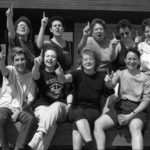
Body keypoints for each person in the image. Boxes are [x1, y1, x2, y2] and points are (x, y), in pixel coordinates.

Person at [57, 48, 113, 150]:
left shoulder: (101, 77)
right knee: (78, 113)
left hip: (93, 110)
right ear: (81, 62)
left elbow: (111, 95)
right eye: (85, 59)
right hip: (75, 108)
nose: (88, 61)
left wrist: (109, 85)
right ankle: (90, 144)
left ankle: (88, 143)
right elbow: (63, 79)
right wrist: (60, 74)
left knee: (76, 126)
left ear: (95, 61)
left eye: (91, 59)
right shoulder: (77, 74)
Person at [94, 47, 150, 150]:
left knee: (135, 127)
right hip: (121, 106)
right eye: (129, 59)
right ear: (125, 60)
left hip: (138, 109)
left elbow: (146, 100)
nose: (131, 61)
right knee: (98, 124)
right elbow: (111, 85)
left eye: (134, 59)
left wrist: (131, 115)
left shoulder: (145, 78)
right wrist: (108, 81)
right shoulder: (120, 73)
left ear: (139, 60)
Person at [28, 44, 73, 150]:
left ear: (57, 59)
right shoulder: (41, 73)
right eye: (47, 56)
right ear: (43, 59)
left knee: (56, 105)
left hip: (60, 108)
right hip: (42, 107)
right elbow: (35, 76)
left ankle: (39, 133)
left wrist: (70, 104)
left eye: (53, 56)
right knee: (52, 126)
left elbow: (69, 91)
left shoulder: (62, 74)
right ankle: (40, 135)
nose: (50, 59)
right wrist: (36, 65)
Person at [0, 47, 37, 150]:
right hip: (5, 106)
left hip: (21, 107)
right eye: (17, 60)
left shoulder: (31, 76)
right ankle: (4, 147)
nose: (20, 62)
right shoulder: (10, 70)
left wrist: (19, 110)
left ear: (26, 60)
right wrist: (1, 61)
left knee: (31, 119)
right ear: (12, 62)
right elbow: (3, 69)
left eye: (22, 59)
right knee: (0, 117)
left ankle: (18, 147)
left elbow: (30, 100)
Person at [6, 3, 40, 68]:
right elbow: (10, 29)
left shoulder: (32, 45)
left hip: (29, 75)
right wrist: (9, 17)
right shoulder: (15, 39)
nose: (22, 27)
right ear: (16, 31)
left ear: (29, 30)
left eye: (24, 26)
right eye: (20, 26)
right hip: (15, 74)